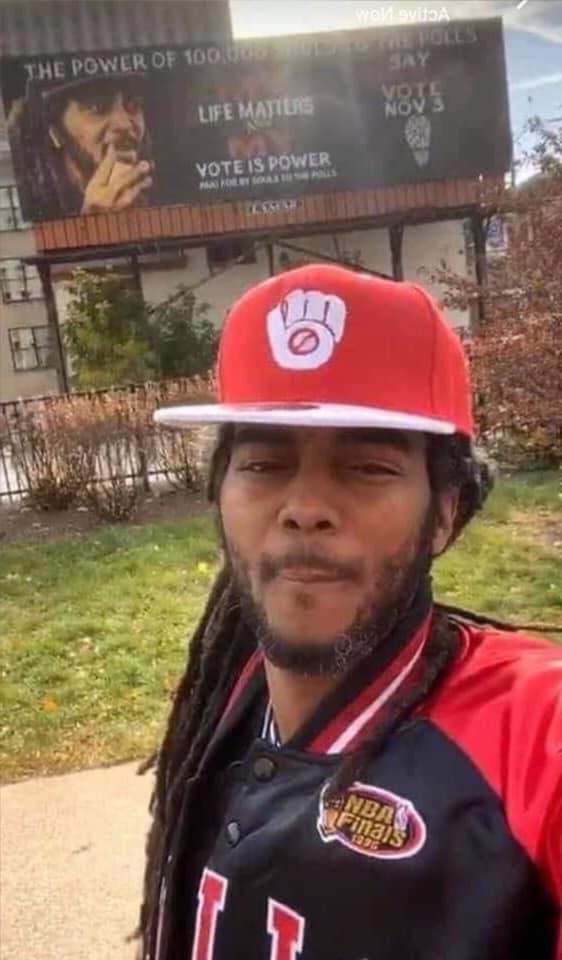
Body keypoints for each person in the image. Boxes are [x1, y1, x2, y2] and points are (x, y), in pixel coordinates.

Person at [139, 263, 561, 960]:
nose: (305, 508)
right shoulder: (226, 703)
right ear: (219, 495)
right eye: (264, 464)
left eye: (368, 467)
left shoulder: (528, 733)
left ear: (445, 513)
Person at [7, 74, 154, 219]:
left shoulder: (158, 190)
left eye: (134, 106)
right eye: (97, 108)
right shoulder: (31, 206)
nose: (124, 124)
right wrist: (94, 223)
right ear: (56, 131)